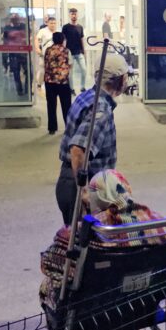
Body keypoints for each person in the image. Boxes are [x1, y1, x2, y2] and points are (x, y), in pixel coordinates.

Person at [38, 169, 166, 330]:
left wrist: (86, 212)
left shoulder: (81, 232)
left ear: (94, 198)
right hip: (141, 306)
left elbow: (48, 264)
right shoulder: (157, 222)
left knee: (50, 285)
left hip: (92, 315)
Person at [55, 52, 131, 226]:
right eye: (126, 77)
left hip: (68, 178)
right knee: (83, 240)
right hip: (81, 185)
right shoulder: (101, 109)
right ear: (119, 80)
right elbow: (77, 150)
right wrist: (83, 193)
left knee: (77, 237)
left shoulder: (86, 96)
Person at [43, 32, 72, 135]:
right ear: (63, 40)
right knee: (66, 106)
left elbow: (45, 63)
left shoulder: (48, 50)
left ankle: (52, 128)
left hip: (49, 81)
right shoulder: (66, 50)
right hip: (63, 81)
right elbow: (70, 64)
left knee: (51, 105)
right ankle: (68, 127)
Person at [1, 12, 28, 96]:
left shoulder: (23, 26)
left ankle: (27, 89)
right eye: (13, 18)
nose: (15, 19)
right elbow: (5, 40)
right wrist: (5, 53)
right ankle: (19, 90)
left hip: (24, 52)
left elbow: (29, 36)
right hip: (13, 53)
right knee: (16, 73)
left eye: (17, 18)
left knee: (29, 72)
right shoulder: (7, 28)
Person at [62, 8, 87, 94]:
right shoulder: (65, 27)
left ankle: (82, 87)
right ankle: (71, 89)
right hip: (69, 53)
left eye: (75, 14)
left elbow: (82, 39)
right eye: (72, 14)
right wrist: (63, 52)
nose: (74, 15)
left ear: (77, 15)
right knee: (70, 73)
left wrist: (84, 51)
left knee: (84, 70)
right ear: (69, 15)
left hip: (79, 52)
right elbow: (64, 40)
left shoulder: (80, 27)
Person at [34, 17, 57, 96]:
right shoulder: (42, 31)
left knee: (54, 71)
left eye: (54, 23)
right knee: (42, 71)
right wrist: (37, 49)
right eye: (51, 23)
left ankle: (52, 87)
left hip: (55, 56)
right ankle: (39, 84)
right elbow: (37, 40)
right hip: (44, 54)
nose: (53, 25)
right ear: (47, 23)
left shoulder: (58, 32)